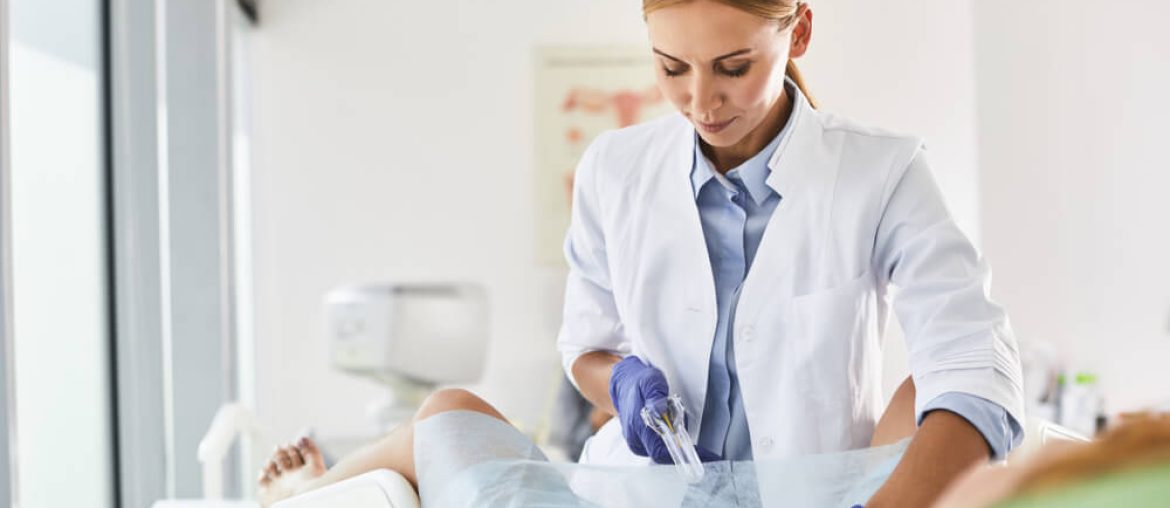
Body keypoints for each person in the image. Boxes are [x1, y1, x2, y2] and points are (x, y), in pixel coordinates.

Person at [558, 1, 1023, 507]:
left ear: (798, 32)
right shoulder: (613, 169)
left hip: (814, 498)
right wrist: (621, 382)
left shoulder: (884, 172)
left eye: (733, 68)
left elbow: (973, 362)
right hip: (644, 495)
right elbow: (586, 348)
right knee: (455, 409)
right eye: (672, 67)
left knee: (920, 393)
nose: (701, 102)